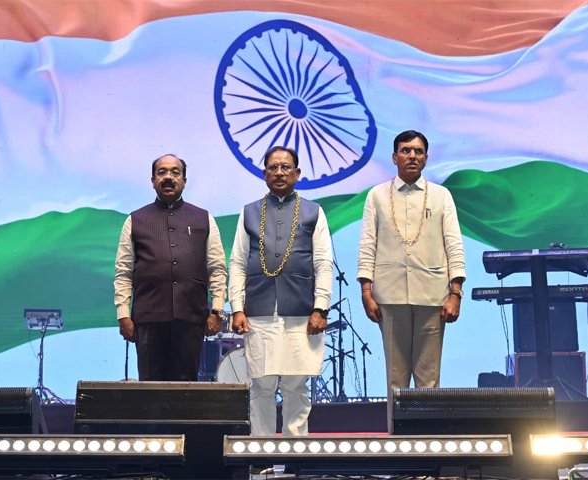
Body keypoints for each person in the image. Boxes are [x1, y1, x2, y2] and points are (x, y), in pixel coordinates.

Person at [357, 130, 466, 430]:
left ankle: (428, 441)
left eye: (418, 151)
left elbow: (454, 244)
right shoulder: (377, 195)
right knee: (396, 378)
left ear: (426, 158)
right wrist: (366, 289)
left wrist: (455, 292)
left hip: (433, 296)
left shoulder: (441, 195)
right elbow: (367, 244)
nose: (412, 156)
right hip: (389, 296)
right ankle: (399, 441)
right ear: (394, 157)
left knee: (428, 378)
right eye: (405, 150)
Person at [229, 146, 333, 436]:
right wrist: (237, 308)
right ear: (264, 174)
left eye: (285, 167)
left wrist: (320, 308)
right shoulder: (249, 212)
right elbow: (237, 262)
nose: (279, 172)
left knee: (296, 386)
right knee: (261, 385)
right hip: (259, 311)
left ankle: (295, 451)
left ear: (297, 173)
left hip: (301, 311)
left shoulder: (314, 212)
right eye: (273, 167)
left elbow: (323, 263)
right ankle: (261, 452)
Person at [114, 154, 227, 381]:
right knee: (150, 389)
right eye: (162, 172)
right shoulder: (135, 220)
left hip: (191, 318)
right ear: (153, 180)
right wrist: (123, 315)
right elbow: (124, 272)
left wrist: (217, 311)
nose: (168, 177)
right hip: (148, 320)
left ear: (184, 180)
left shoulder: (204, 218)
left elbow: (217, 268)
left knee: (185, 391)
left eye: (175, 172)